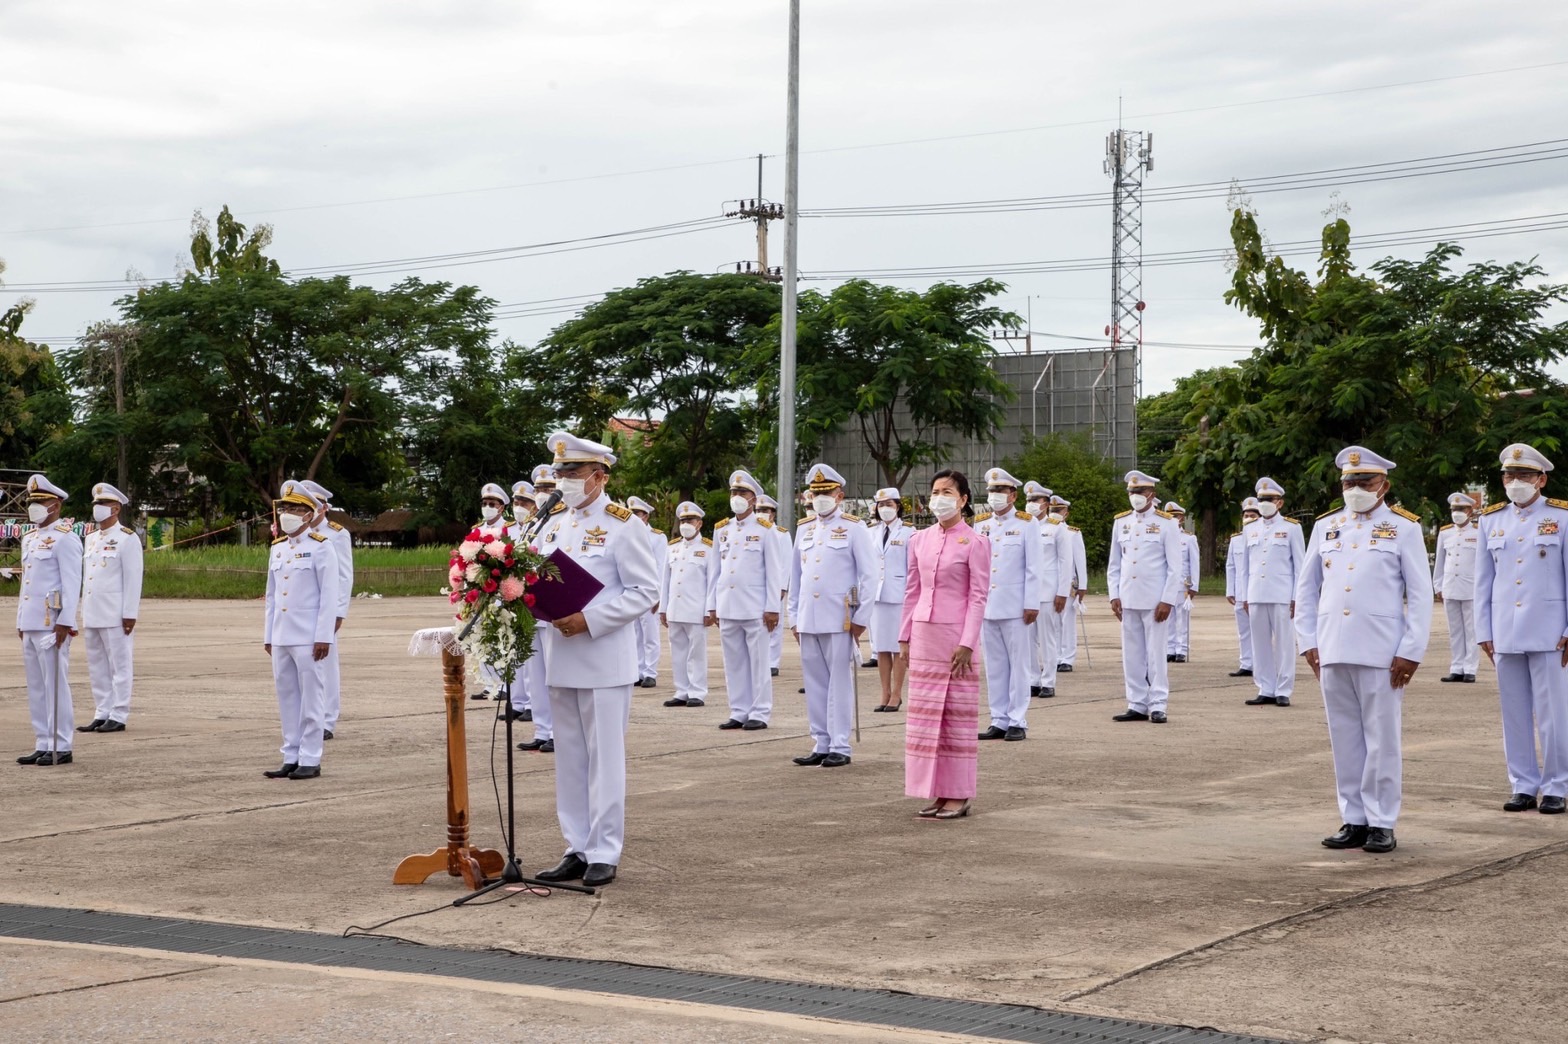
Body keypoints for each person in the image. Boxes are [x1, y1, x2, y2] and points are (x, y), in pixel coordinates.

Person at [531, 431, 660, 888]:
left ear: (599, 476)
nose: (563, 479)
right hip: (560, 654)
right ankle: (576, 846)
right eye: (559, 471)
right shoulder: (552, 524)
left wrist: (590, 619)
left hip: (603, 656)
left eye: (572, 471)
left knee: (604, 758)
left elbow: (646, 592)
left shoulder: (625, 524)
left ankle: (605, 849)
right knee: (570, 757)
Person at [1296, 446, 1432, 853]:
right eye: (1349, 482)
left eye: (1364, 482)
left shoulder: (1404, 528)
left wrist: (1411, 650)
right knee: (1344, 738)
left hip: (1382, 652)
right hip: (1333, 647)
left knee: (1382, 738)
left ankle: (1382, 821)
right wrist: (1308, 642)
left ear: (1383, 485)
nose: (1355, 488)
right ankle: (1353, 818)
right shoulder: (1326, 527)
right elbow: (1305, 591)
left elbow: (1421, 596)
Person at [1476, 443, 1568, 815]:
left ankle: (1558, 784)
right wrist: (1484, 629)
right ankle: (1523, 785)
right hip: (1505, 631)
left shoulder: (1561, 517)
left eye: (1524, 476)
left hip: (1549, 631)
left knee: (1553, 712)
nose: (1516, 482)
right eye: (1510, 476)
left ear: (1541, 479)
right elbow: (1484, 581)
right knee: (1513, 711)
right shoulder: (1490, 520)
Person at [901, 469, 990, 819]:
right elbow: (912, 591)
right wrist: (904, 636)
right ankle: (936, 791)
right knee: (925, 720)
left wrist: (968, 641)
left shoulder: (976, 542)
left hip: (956, 637)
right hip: (924, 634)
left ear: (963, 499)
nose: (940, 498)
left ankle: (958, 793)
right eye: (936, 491)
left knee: (955, 717)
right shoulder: (918, 540)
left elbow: (978, 596)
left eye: (948, 492)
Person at [790, 463, 876, 767]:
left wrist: (861, 619)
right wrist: (793, 617)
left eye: (826, 493)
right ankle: (821, 742)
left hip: (841, 618)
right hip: (809, 618)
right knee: (815, 683)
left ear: (839, 495)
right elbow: (796, 577)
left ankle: (840, 744)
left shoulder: (854, 527)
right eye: (815, 493)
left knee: (839, 683)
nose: (820, 498)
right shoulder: (804, 528)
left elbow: (870, 575)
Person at [262, 484, 339, 780]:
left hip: (308, 637)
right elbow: (271, 596)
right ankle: (290, 755)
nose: (287, 515)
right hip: (282, 636)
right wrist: (269, 635)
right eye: (284, 509)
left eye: (294, 510)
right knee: (287, 697)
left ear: (308, 515)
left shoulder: (322, 546)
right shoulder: (277, 548)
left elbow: (328, 595)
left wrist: (323, 636)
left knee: (312, 697)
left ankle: (310, 757)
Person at [15, 475, 82, 766]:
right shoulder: (30, 538)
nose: (35, 507)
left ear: (55, 505)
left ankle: (61, 744)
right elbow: (28, 583)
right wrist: (20, 620)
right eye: (31, 502)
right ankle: (43, 741)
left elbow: (71, 583)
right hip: (31, 622)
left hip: (52, 623)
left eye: (40, 502)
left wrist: (65, 622)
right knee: (37, 687)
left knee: (55, 685)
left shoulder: (66, 538)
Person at [708, 470, 783, 732]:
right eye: (733, 492)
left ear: (753, 499)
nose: (736, 497)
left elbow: (774, 571)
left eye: (742, 493)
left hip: (755, 608)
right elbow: (714, 570)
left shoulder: (765, 530)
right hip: (728, 605)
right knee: (734, 662)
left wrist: (773, 607)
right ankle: (738, 710)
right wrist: (712, 605)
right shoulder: (722, 529)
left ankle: (760, 712)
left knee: (759, 662)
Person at [975, 469, 1045, 741]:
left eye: (1000, 491)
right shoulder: (980, 524)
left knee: (1018, 665)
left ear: (1013, 495)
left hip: (1016, 606)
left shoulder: (1027, 524)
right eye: (992, 491)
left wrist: (1031, 603)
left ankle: (1017, 719)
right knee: (994, 666)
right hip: (987, 606)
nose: (995, 497)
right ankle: (998, 719)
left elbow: (1033, 567)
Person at [1107, 471, 1182, 723]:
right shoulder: (1121, 521)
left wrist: (1168, 599)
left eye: (1139, 492)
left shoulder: (1167, 523)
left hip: (1154, 600)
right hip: (1128, 598)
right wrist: (1114, 595)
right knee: (1132, 653)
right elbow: (1114, 563)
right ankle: (1137, 702)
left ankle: (1158, 703)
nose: (1135, 497)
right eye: (1131, 492)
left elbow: (1175, 567)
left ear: (1152, 494)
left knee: (1156, 653)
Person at [77, 482, 143, 735]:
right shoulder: (91, 538)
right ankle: (102, 711)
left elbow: (133, 578)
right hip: (93, 611)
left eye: (103, 504)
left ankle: (119, 713)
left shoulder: (127, 538)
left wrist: (130, 613)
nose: (98, 508)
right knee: (97, 665)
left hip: (116, 614)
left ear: (115, 508)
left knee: (120, 665)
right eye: (96, 504)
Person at [1238, 477, 1306, 707]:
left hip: (1282, 594)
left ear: (1280, 502)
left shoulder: (1291, 528)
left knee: (1285, 644)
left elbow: (1300, 566)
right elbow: (1245, 568)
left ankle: (1283, 689)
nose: (1264, 503)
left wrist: (1297, 597)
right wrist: (1244, 596)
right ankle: (1265, 687)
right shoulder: (1250, 529)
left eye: (1269, 499)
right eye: (1261, 499)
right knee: (1260, 643)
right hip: (1256, 593)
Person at [300, 479, 352, 740]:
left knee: (326, 664)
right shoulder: (298, 533)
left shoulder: (337, 533)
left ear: (324, 507)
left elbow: (344, 576)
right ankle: (308, 716)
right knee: (304, 665)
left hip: (325, 608)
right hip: (301, 609)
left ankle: (328, 719)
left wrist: (338, 612)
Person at [515, 472, 556, 753]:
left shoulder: (564, 520)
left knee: (555, 676)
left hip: (554, 610)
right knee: (535, 675)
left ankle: (557, 732)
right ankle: (542, 730)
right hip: (530, 609)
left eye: (548, 487)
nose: (542, 492)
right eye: (539, 487)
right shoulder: (532, 522)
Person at [1021, 481, 1071, 699]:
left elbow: (1065, 562)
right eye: (1028, 500)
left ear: (1046, 503)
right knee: (1028, 639)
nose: (1031, 504)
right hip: (1025, 592)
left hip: (1047, 592)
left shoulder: (1056, 528)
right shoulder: (1022, 526)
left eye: (1035, 500)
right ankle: (1033, 679)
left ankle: (1048, 680)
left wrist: (1062, 592)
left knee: (1047, 637)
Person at [662, 501, 714, 709]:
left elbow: (712, 581)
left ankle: (697, 691)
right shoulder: (672, 548)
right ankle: (681, 690)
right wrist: (664, 608)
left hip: (696, 610)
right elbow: (665, 581)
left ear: (699, 523)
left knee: (696, 653)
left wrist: (709, 609)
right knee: (678, 652)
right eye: (683, 520)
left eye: (690, 520)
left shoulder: (708, 549)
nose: (686, 524)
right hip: (675, 609)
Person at [869, 487, 910, 712]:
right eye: (881, 505)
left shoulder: (908, 532)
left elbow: (913, 567)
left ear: (898, 506)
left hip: (899, 594)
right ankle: (884, 692)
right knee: (882, 648)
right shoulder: (870, 532)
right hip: (877, 596)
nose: (885, 509)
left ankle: (897, 692)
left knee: (898, 647)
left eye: (890, 504)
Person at [470, 482, 513, 701]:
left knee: (501, 636)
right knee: (483, 636)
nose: (487, 506)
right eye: (485, 503)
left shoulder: (509, 528)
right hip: (480, 590)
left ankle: (504, 685)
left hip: (501, 590)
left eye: (492, 503)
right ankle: (489, 684)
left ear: (501, 507)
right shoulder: (476, 530)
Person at [1434, 491, 1481, 684]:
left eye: (1461, 509)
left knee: (1471, 630)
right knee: (1455, 630)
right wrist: (1438, 585)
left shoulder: (1479, 531)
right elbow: (1440, 561)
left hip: (1471, 588)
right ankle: (1456, 667)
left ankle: (1470, 668)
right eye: (1454, 509)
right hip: (1450, 587)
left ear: (1470, 510)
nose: (1457, 512)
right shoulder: (1445, 533)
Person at [627, 495, 668, 688]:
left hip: (649, 592)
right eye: (631, 512)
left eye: (637, 513)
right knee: (635, 634)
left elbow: (661, 567)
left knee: (650, 634)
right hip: (631, 591)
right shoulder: (627, 534)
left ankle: (650, 672)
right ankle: (639, 670)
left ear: (646, 516)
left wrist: (658, 595)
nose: (633, 516)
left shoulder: (657, 537)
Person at [1226, 498, 1262, 678]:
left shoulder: (1263, 537)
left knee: (1260, 631)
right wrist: (1229, 590)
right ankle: (1246, 663)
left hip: (1257, 593)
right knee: (1244, 632)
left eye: (1252, 515)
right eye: (1246, 515)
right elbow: (1230, 566)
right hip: (1240, 593)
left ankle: (1262, 665)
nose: (1248, 518)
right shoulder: (1236, 540)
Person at [755, 494, 791, 678]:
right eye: (758, 510)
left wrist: (782, 586)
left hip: (775, 585)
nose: (760, 514)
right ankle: (760, 659)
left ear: (773, 514)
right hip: (756, 586)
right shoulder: (753, 532)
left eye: (764, 511)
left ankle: (772, 662)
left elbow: (786, 561)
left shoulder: (781, 534)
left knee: (775, 626)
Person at [1052, 495, 1088, 673]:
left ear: (1066, 513)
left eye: (1058, 511)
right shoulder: (1042, 530)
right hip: (1050, 583)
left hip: (1069, 584)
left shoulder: (1073, 533)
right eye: (1052, 510)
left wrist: (1083, 585)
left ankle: (1067, 658)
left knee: (1067, 622)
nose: (1055, 514)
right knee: (1052, 623)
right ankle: (1055, 656)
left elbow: (1080, 560)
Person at [1164, 502, 1200, 663]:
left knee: (1182, 619)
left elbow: (1194, 563)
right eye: (1168, 516)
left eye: (1175, 516)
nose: (1171, 519)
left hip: (1183, 584)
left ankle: (1182, 650)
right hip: (1166, 584)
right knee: (1167, 618)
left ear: (1181, 518)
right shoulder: (1162, 536)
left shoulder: (1188, 538)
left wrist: (1194, 586)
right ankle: (1170, 649)